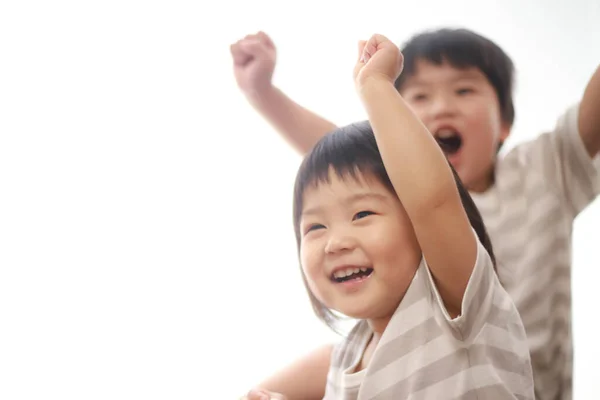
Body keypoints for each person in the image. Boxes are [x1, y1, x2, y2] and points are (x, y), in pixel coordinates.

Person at [230, 28, 600, 400]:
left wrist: (376, 85)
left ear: (504, 122)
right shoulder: (353, 352)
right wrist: (261, 93)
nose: (440, 107)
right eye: (419, 96)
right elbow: (342, 176)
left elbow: (431, 199)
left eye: (464, 90)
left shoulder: (542, 171)